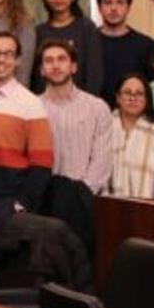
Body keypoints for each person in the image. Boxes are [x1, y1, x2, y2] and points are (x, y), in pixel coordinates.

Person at [0, 32, 54, 230]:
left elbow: (42, 164)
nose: (1, 59)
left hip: (9, 205)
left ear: (18, 60)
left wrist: (21, 205)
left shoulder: (31, 104)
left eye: (8, 54)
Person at [38, 40, 115, 194]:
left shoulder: (97, 108)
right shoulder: (33, 108)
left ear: (73, 67)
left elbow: (102, 161)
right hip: (44, 199)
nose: (55, 65)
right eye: (49, 61)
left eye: (62, 59)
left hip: (86, 198)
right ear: (41, 70)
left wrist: (80, 195)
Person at [32, 0, 103, 95]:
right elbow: (36, 76)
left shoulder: (86, 28)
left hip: (80, 103)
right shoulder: (39, 32)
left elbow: (94, 73)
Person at [97, 0, 154, 107]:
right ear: (100, 7)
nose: (114, 8)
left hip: (136, 120)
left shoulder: (148, 46)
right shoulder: (87, 43)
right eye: (108, 2)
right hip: (93, 119)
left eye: (120, 2)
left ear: (128, 7)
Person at [109, 73, 154, 200]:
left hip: (147, 209)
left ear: (147, 99)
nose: (133, 98)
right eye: (127, 92)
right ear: (118, 97)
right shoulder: (104, 128)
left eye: (139, 93)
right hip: (107, 207)